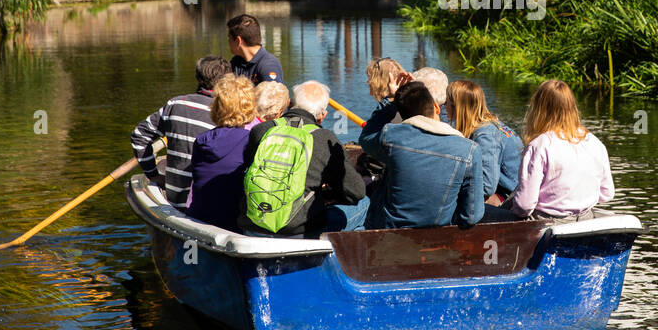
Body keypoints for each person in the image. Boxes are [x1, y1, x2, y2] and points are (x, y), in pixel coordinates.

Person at [337, 79, 483, 231]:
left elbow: (366, 138)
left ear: (401, 114)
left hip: (387, 237)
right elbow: (472, 215)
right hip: (438, 241)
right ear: (436, 107)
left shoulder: (391, 137)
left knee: (361, 208)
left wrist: (389, 100)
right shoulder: (470, 150)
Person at [243, 80, 367, 237]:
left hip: (254, 226)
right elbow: (356, 191)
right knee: (364, 204)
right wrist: (324, 196)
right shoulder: (324, 139)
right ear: (322, 116)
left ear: (290, 104)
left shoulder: (260, 131)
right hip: (299, 231)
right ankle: (334, 259)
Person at [131, 55, 231, 207]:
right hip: (209, 203)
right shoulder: (227, 113)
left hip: (175, 199)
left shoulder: (175, 104)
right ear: (227, 81)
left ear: (197, 77)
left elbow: (139, 135)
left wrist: (153, 174)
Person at [509, 79, 613, 222]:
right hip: (586, 219)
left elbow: (524, 206)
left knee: (487, 213)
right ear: (572, 107)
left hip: (546, 222)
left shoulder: (539, 145)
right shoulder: (595, 142)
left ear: (539, 109)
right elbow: (606, 194)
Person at [186, 74, 258, 230]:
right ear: (249, 107)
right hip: (233, 223)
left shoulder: (201, 140)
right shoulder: (252, 142)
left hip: (199, 217)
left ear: (217, 107)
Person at [448, 80, 523, 205]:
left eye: (447, 103)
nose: (444, 107)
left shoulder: (485, 135)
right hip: (508, 189)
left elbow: (486, 187)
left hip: (509, 197)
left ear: (458, 107)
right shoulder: (486, 123)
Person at [227, 13, 283, 85]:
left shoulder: (268, 65)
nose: (228, 41)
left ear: (238, 41)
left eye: (229, 37)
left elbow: (274, 95)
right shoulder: (236, 62)